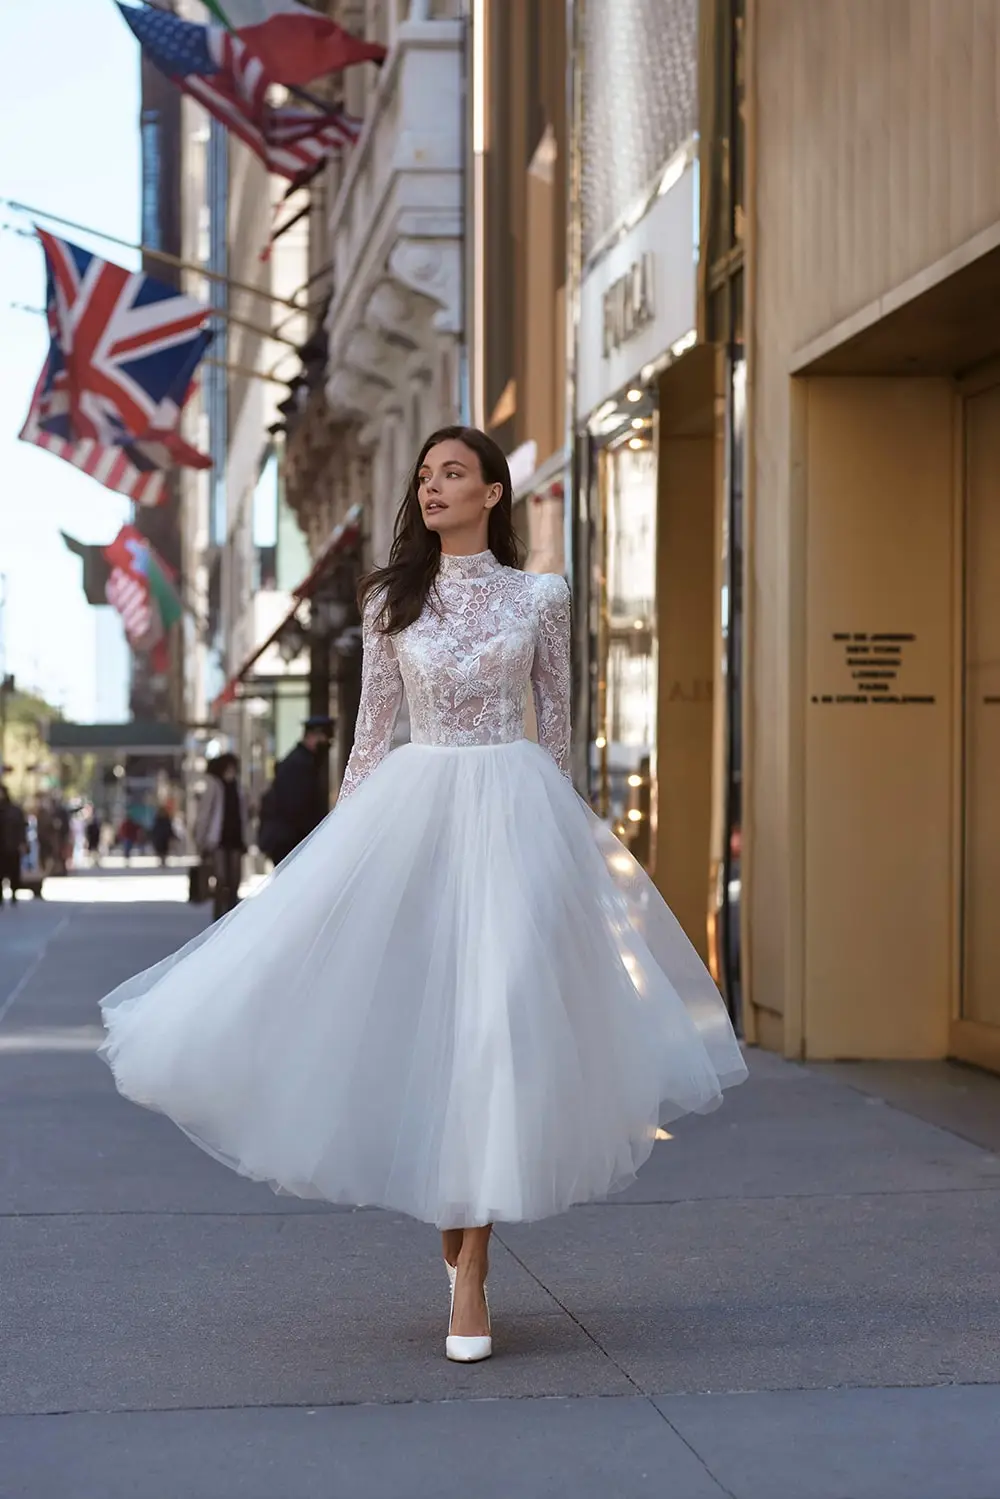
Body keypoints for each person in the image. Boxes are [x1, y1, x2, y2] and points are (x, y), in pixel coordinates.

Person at [98, 426, 747, 1365]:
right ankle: (458, 1223)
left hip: (519, 817)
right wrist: (334, 867)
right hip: (417, 816)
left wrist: (567, 855)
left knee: (496, 1025)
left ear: (493, 491)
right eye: (425, 476)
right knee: (431, 1028)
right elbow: (371, 739)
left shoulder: (542, 596)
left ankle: (472, 1273)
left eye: (452, 473)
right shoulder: (389, 601)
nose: (433, 487)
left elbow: (556, 735)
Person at [257, 715, 333, 866]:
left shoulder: (304, 762)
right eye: (324, 738)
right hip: (289, 841)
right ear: (311, 736)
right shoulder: (299, 764)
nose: (326, 744)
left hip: (291, 839)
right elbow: (297, 807)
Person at [194, 753, 248, 921]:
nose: (232, 771)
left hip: (236, 838)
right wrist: (200, 839)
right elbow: (204, 814)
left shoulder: (239, 787)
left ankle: (232, 915)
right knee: (221, 878)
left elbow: (245, 812)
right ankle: (219, 917)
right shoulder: (214, 785)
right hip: (217, 839)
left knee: (235, 880)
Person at [0, 785, 27, 909]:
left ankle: (14, 894)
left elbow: (22, 828)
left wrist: (22, 843)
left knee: (14, 872)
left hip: (12, 846)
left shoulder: (15, 811)